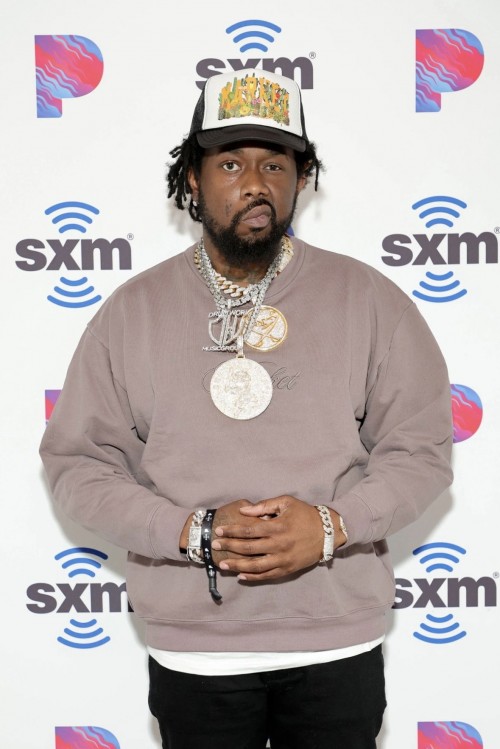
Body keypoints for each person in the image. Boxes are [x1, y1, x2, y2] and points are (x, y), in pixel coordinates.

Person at [40, 69, 453, 749]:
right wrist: (189, 531)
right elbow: (79, 463)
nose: (255, 182)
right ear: (194, 180)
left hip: (336, 641)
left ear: (302, 178)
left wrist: (331, 526)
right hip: (195, 649)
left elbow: (421, 451)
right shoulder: (133, 312)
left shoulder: (369, 300)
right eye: (231, 163)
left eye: (275, 164)